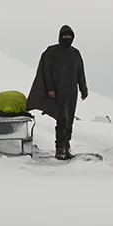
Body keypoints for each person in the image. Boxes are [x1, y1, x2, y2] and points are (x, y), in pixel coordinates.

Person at [28, 25, 88, 160]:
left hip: (71, 91)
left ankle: (66, 147)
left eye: (70, 36)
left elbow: (80, 72)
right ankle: (60, 149)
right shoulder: (52, 52)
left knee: (69, 120)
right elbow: (46, 72)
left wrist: (83, 89)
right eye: (65, 36)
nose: (67, 38)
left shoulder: (75, 53)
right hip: (57, 91)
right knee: (62, 119)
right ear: (60, 37)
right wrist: (50, 89)